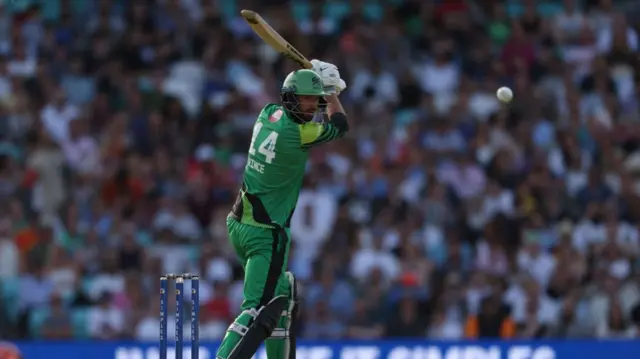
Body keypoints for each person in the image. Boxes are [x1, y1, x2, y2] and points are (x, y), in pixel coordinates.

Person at [215, 60, 348, 359]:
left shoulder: (266, 114)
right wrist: (331, 92)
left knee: (283, 294)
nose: (312, 104)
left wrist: (318, 88)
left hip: (239, 224)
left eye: (315, 99)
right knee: (257, 308)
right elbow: (340, 125)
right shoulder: (298, 135)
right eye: (307, 98)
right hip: (266, 234)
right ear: (290, 97)